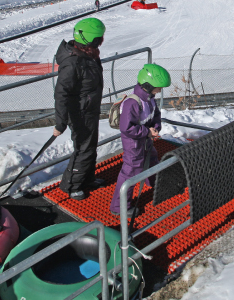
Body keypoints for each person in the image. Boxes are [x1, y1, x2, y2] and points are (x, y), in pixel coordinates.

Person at [54, 18, 108, 199]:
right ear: (90, 40)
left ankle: (87, 179)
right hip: (80, 113)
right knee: (83, 148)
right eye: (99, 38)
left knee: (90, 146)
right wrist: (60, 122)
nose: (101, 41)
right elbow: (61, 93)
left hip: (89, 109)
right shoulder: (73, 63)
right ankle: (70, 185)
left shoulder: (88, 56)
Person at [114, 64, 169, 216]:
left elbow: (155, 114)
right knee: (130, 171)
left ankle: (153, 183)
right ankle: (119, 207)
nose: (160, 90)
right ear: (148, 85)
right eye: (158, 87)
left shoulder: (149, 98)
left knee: (151, 159)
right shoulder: (133, 103)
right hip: (134, 142)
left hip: (145, 137)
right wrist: (146, 132)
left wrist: (155, 127)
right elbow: (126, 128)